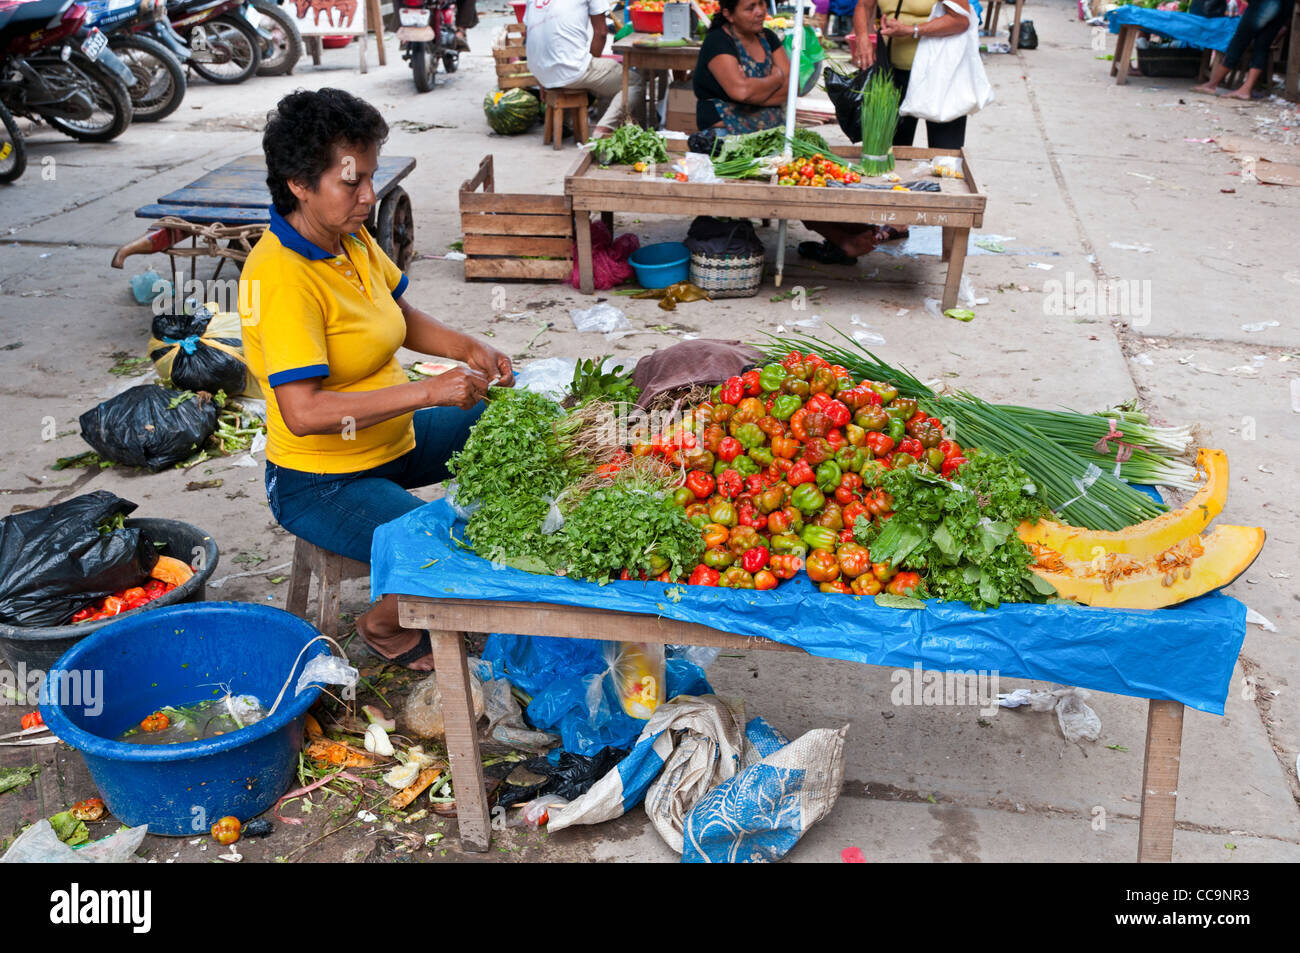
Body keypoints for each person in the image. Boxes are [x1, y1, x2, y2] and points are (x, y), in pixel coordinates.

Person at [240, 88, 513, 671]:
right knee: (441, 548)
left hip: (393, 443)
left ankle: (471, 559)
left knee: (512, 426)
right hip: (320, 481)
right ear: (298, 183)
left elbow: (401, 317)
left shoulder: (349, 235)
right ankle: (383, 626)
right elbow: (304, 413)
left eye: (371, 177)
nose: (369, 197)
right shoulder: (281, 278)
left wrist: (471, 348)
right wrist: (430, 390)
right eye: (351, 182)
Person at [524, 0, 644, 135]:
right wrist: (589, 64)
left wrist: (541, 77)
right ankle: (603, 130)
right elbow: (601, 33)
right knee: (634, 82)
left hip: (540, 72)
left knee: (594, 73)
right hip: (569, 69)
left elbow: (529, 35)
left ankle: (566, 122)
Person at [693, 0, 790, 133]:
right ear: (729, 15)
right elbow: (742, 92)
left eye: (761, 3)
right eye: (751, 8)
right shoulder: (717, 41)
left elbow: (791, 88)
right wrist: (776, 78)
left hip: (772, 130)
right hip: (726, 132)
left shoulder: (768, 37)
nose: (760, 12)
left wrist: (751, 94)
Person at [1190, 0, 1294, 100]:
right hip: (1286, 4)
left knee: (1240, 39)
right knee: (1262, 46)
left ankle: (1212, 84)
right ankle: (1245, 90)